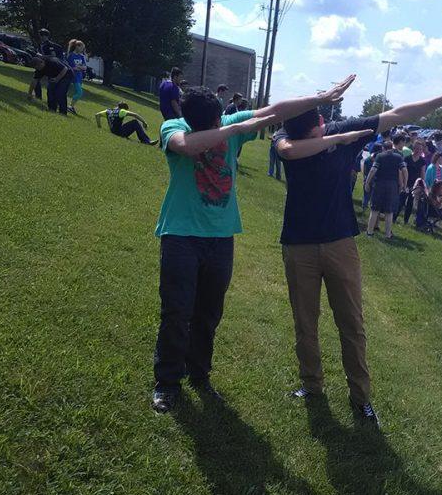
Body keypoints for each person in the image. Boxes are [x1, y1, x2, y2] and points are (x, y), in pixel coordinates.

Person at [274, 79, 442, 426]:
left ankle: (361, 398)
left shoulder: (340, 130)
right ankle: (312, 386)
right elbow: (287, 152)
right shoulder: (286, 139)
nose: (325, 129)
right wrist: (338, 140)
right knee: (305, 324)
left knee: (352, 325)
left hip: (340, 242)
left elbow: (399, 113)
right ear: (312, 129)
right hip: (298, 244)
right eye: (320, 130)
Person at [152, 76, 357, 414]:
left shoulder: (226, 120)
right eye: (218, 122)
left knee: (209, 312)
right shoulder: (174, 127)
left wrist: (322, 96)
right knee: (177, 311)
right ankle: (167, 383)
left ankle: (199, 374)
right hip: (181, 235)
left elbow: (276, 109)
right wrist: (235, 129)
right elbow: (187, 147)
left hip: (220, 237)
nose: (223, 123)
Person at [365, 139, 407, 239]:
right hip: (392, 185)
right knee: (389, 211)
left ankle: (370, 232)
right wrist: (404, 184)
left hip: (379, 183)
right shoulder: (398, 157)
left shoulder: (380, 156)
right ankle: (388, 234)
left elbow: (373, 170)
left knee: (374, 209)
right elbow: (404, 170)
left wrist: (367, 182)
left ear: (383, 148)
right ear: (392, 147)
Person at [400, 138, 427, 224]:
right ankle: (394, 217)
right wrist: (402, 183)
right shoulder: (407, 158)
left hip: (415, 185)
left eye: (421, 149)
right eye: (417, 148)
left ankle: (406, 221)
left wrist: (421, 185)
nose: (419, 150)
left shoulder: (422, 161)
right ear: (414, 148)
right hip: (405, 182)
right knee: (401, 201)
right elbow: (402, 171)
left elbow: (422, 174)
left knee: (410, 203)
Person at [66, 39, 87, 114]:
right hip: (74, 76)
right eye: (82, 47)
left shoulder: (82, 56)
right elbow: (71, 67)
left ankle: (71, 107)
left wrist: (78, 67)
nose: (82, 49)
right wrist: (79, 67)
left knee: (78, 92)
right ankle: (70, 106)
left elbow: (85, 67)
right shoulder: (71, 55)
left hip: (80, 76)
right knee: (79, 92)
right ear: (77, 47)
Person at [362, 143, 382, 210]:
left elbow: (364, 169)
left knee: (366, 194)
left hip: (367, 177)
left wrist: (365, 176)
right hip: (375, 179)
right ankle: (371, 208)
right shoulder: (379, 158)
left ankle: (364, 207)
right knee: (373, 195)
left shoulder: (368, 158)